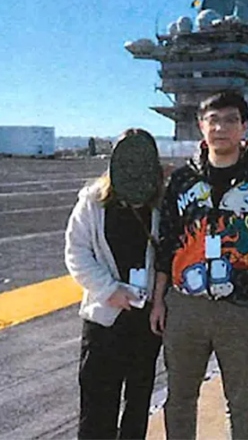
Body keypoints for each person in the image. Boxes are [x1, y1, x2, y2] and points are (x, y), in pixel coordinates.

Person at [150, 90, 248, 439]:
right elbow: (167, 241)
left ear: (244, 126)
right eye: (213, 120)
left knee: (242, 400)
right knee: (180, 398)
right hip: (185, 306)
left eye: (231, 120)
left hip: (241, 308)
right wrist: (159, 300)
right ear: (201, 126)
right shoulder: (182, 181)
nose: (221, 128)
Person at [65, 128, 165, 440]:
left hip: (146, 320)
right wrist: (110, 290)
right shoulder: (93, 202)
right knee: (97, 407)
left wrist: (158, 301)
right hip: (104, 319)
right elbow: (76, 253)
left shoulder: (160, 204)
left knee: (138, 404)